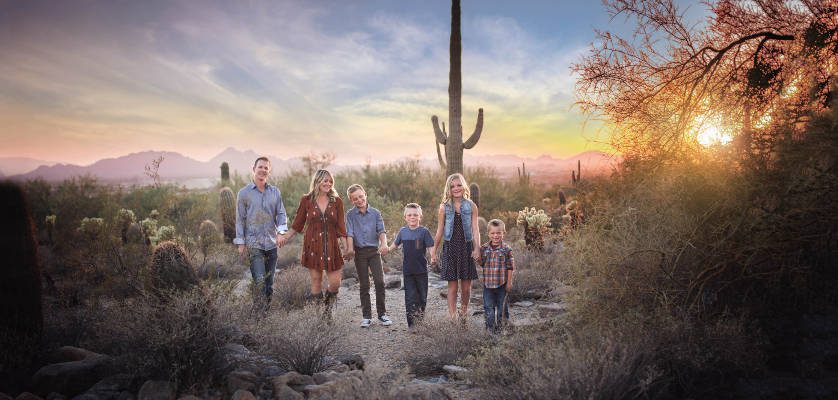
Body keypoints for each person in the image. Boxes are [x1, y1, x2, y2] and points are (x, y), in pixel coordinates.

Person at [283, 169, 348, 316]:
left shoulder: (337, 201)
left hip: (332, 245)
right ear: (317, 181)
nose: (328, 183)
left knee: (335, 283)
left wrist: (347, 247)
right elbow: (297, 224)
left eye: (330, 181)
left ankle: (327, 309)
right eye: (325, 180)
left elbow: (341, 227)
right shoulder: (307, 200)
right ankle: (320, 316)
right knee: (316, 281)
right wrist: (285, 237)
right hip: (312, 244)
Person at [234, 156, 288, 311]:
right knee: (259, 281)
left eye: (266, 168)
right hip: (254, 243)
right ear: (254, 169)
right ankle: (259, 315)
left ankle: (266, 312)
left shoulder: (275, 192)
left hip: (271, 243)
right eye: (260, 167)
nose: (263, 170)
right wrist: (241, 242)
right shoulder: (244, 193)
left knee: (269, 283)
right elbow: (240, 219)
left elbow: (281, 214)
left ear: (268, 171)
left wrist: (281, 232)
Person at [432, 173, 480, 318]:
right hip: (450, 247)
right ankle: (453, 317)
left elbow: (475, 228)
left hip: (466, 248)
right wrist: (434, 250)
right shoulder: (444, 207)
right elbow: (440, 230)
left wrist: (477, 248)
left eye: (459, 185)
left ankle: (463, 314)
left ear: (464, 186)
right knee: (452, 287)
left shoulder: (471, 206)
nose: (456, 188)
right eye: (452, 186)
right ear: (449, 189)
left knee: (466, 288)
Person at [344, 184, 393, 328]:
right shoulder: (350, 215)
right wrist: (350, 249)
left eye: (361, 196)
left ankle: (382, 314)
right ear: (352, 201)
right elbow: (350, 233)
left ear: (365, 194)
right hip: (359, 253)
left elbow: (381, 230)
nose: (359, 200)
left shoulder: (376, 213)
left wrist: (384, 244)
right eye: (355, 199)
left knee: (379, 281)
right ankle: (366, 316)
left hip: (374, 252)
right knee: (364, 284)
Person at [390, 203, 435, 329]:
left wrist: (433, 256)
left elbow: (431, 246)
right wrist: (386, 250)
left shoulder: (424, 232)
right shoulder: (403, 232)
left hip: (421, 271)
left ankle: (420, 321)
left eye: (415, 215)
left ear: (420, 216)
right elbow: (394, 245)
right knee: (410, 297)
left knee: (422, 296)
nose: (412, 217)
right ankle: (412, 325)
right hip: (408, 271)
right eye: (409, 215)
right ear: (405, 217)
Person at [479, 219, 514, 333]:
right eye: (493, 233)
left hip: (502, 285)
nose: (495, 236)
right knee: (488, 308)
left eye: (498, 233)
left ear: (504, 233)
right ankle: (490, 331)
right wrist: (477, 257)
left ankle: (502, 329)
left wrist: (509, 283)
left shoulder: (507, 249)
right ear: (488, 234)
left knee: (502, 309)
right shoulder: (484, 248)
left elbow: (510, 267)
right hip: (488, 285)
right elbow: (481, 263)